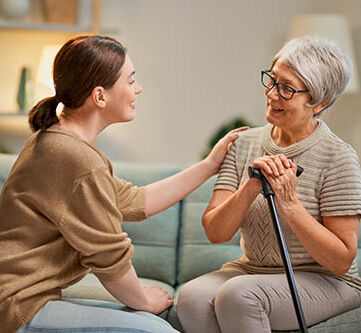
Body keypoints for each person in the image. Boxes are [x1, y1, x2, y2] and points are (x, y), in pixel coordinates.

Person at [0, 35, 247, 333]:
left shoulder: (59, 142)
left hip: (24, 299)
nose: (138, 89)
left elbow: (136, 200)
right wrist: (143, 300)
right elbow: (109, 259)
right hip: (18, 308)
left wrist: (209, 166)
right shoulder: (75, 158)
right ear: (100, 96)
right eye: (131, 81)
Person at [177, 36, 361, 333]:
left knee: (239, 295)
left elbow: (341, 260)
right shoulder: (242, 144)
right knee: (191, 298)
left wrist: (289, 203)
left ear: (319, 102)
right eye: (272, 79)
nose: (272, 94)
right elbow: (215, 232)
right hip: (252, 270)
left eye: (287, 88)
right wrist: (251, 187)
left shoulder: (338, 157)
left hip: (327, 280)